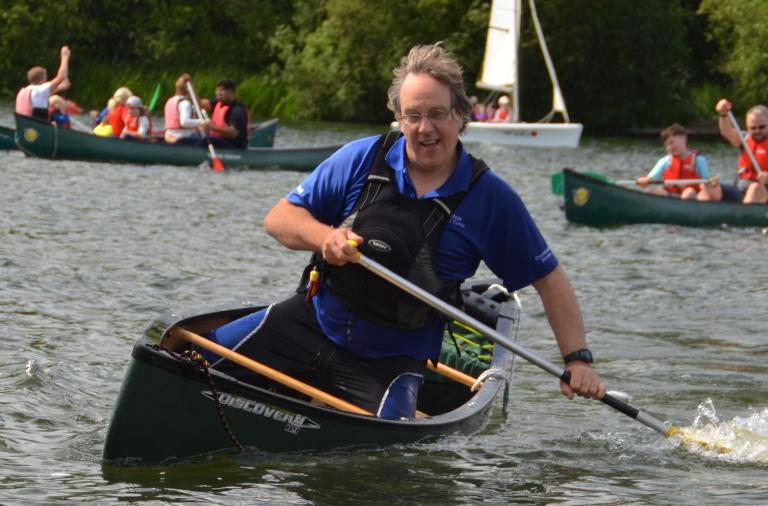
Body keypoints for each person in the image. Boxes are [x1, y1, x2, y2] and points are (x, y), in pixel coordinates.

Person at [201, 44, 605, 419]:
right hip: (311, 323)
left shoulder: (491, 198)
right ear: (399, 116)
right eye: (413, 115)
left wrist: (577, 360)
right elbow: (279, 218)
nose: (425, 128)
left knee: (386, 461)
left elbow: (549, 279)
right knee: (188, 361)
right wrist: (325, 237)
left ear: (461, 116)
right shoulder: (364, 156)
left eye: (437, 114)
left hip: (390, 360)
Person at [635, 124, 715, 200]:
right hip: (670, 196)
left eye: (672, 142)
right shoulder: (665, 161)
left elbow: (706, 183)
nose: (669, 147)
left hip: (692, 197)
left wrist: (711, 183)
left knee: (688, 192)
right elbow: (650, 178)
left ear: (684, 138)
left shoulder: (699, 160)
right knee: (655, 191)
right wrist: (644, 181)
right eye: (666, 145)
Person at [713, 98, 768, 204]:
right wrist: (723, 114)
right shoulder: (744, 139)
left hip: (763, 191)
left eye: (762, 127)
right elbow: (727, 131)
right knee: (712, 186)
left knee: (754, 188)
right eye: (753, 128)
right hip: (741, 188)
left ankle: (742, 218)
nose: (757, 131)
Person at [15, 46, 71, 121]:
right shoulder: (40, 90)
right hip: (36, 129)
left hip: (25, 127)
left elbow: (42, 95)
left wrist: (62, 87)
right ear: (42, 79)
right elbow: (61, 76)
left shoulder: (25, 90)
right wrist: (65, 56)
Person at [203, 80, 248, 149]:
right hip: (219, 140)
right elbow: (200, 103)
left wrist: (212, 127)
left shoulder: (237, 110)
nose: (218, 95)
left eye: (220, 92)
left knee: (207, 140)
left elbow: (233, 133)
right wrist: (189, 90)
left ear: (230, 92)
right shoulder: (218, 103)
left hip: (233, 145)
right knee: (185, 140)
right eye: (217, 92)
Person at [163, 73, 206, 144]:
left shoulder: (169, 101)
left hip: (169, 134)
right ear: (188, 90)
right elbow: (184, 122)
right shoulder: (185, 103)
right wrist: (202, 121)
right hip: (183, 136)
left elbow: (197, 104)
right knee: (204, 137)